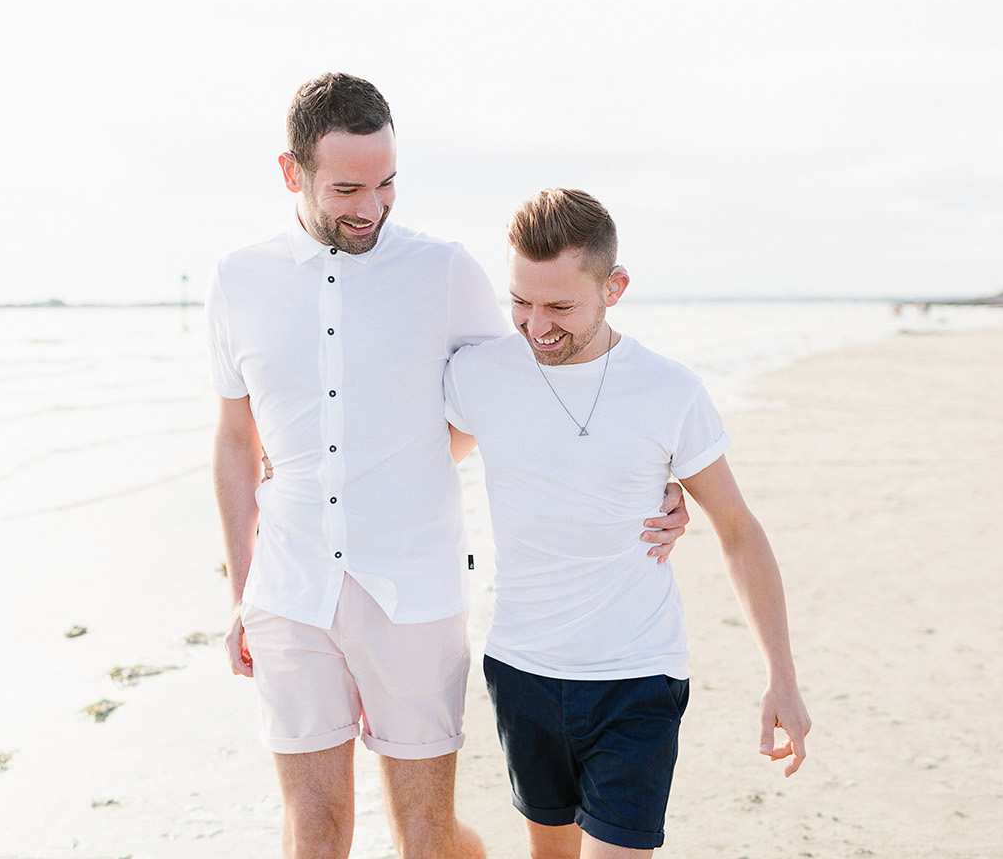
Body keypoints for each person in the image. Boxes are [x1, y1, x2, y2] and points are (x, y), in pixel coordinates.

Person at [207, 76, 691, 859]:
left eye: (388, 181)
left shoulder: (443, 272)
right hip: (288, 589)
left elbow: (530, 390)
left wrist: (656, 482)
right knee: (313, 829)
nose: (372, 205)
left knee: (424, 836)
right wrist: (240, 594)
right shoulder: (238, 280)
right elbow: (234, 441)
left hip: (415, 589)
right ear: (291, 172)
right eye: (347, 187)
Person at [443, 188, 811, 858]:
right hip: (521, 669)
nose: (536, 326)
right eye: (521, 301)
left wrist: (780, 676)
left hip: (637, 678)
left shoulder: (668, 391)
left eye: (560, 306)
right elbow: (410, 463)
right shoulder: (478, 374)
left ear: (614, 287)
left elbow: (738, 529)